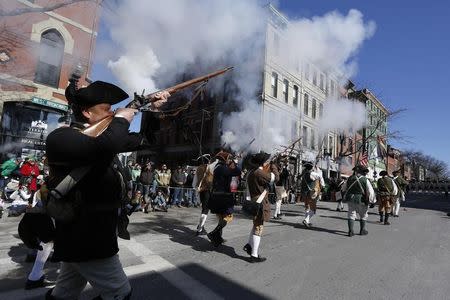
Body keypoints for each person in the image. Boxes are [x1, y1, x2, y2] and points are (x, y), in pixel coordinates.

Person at [43, 80, 169, 299]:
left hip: (88, 234)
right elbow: (106, 146)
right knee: (120, 293)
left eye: (112, 110)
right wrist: (121, 118)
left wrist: (153, 112)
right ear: (85, 112)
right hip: (87, 235)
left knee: (65, 292)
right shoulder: (61, 137)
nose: (111, 113)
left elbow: (145, 141)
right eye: (106, 110)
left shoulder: (102, 138)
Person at [244, 152, 279, 262]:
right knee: (259, 228)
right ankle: (254, 255)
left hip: (254, 200)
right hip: (260, 202)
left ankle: (249, 245)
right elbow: (275, 178)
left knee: (256, 225)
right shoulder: (259, 172)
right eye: (266, 161)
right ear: (262, 163)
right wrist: (273, 166)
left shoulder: (251, 172)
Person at [207, 151, 241, 247]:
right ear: (226, 159)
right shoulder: (223, 168)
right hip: (223, 197)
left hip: (218, 196)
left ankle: (217, 239)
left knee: (221, 218)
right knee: (228, 217)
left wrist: (232, 163)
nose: (230, 160)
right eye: (229, 159)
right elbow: (237, 171)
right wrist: (235, 162)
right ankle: (213, 233)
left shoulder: (219, 167)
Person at [341, 165, 375, 237]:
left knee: (351, 214)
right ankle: (362, 230)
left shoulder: (349, 178)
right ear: (362, 172)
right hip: (361, 199)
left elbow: (343, 188)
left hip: (350, 199)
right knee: (363, 215)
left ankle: (350, 231)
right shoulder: (365, 179)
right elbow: (370, 192)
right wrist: (372, 201)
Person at [194, 155, 217, 236]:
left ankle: (200, 226)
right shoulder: (210, 167)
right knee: (205, 210)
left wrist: (197, 189)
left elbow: (195, 181)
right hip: (207, 190)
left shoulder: (199, 168)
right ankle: (200, 229)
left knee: (204, 209)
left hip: (201, 190)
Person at [300, 162, 324, 228]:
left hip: (304, 193)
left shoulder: (304, 174)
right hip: (311, 193)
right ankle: (306, 220)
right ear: (311, 168)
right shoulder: (312, 174)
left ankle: (307, 221)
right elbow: (320, 176)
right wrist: (323, 186)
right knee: (313, 209)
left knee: (307, 207)